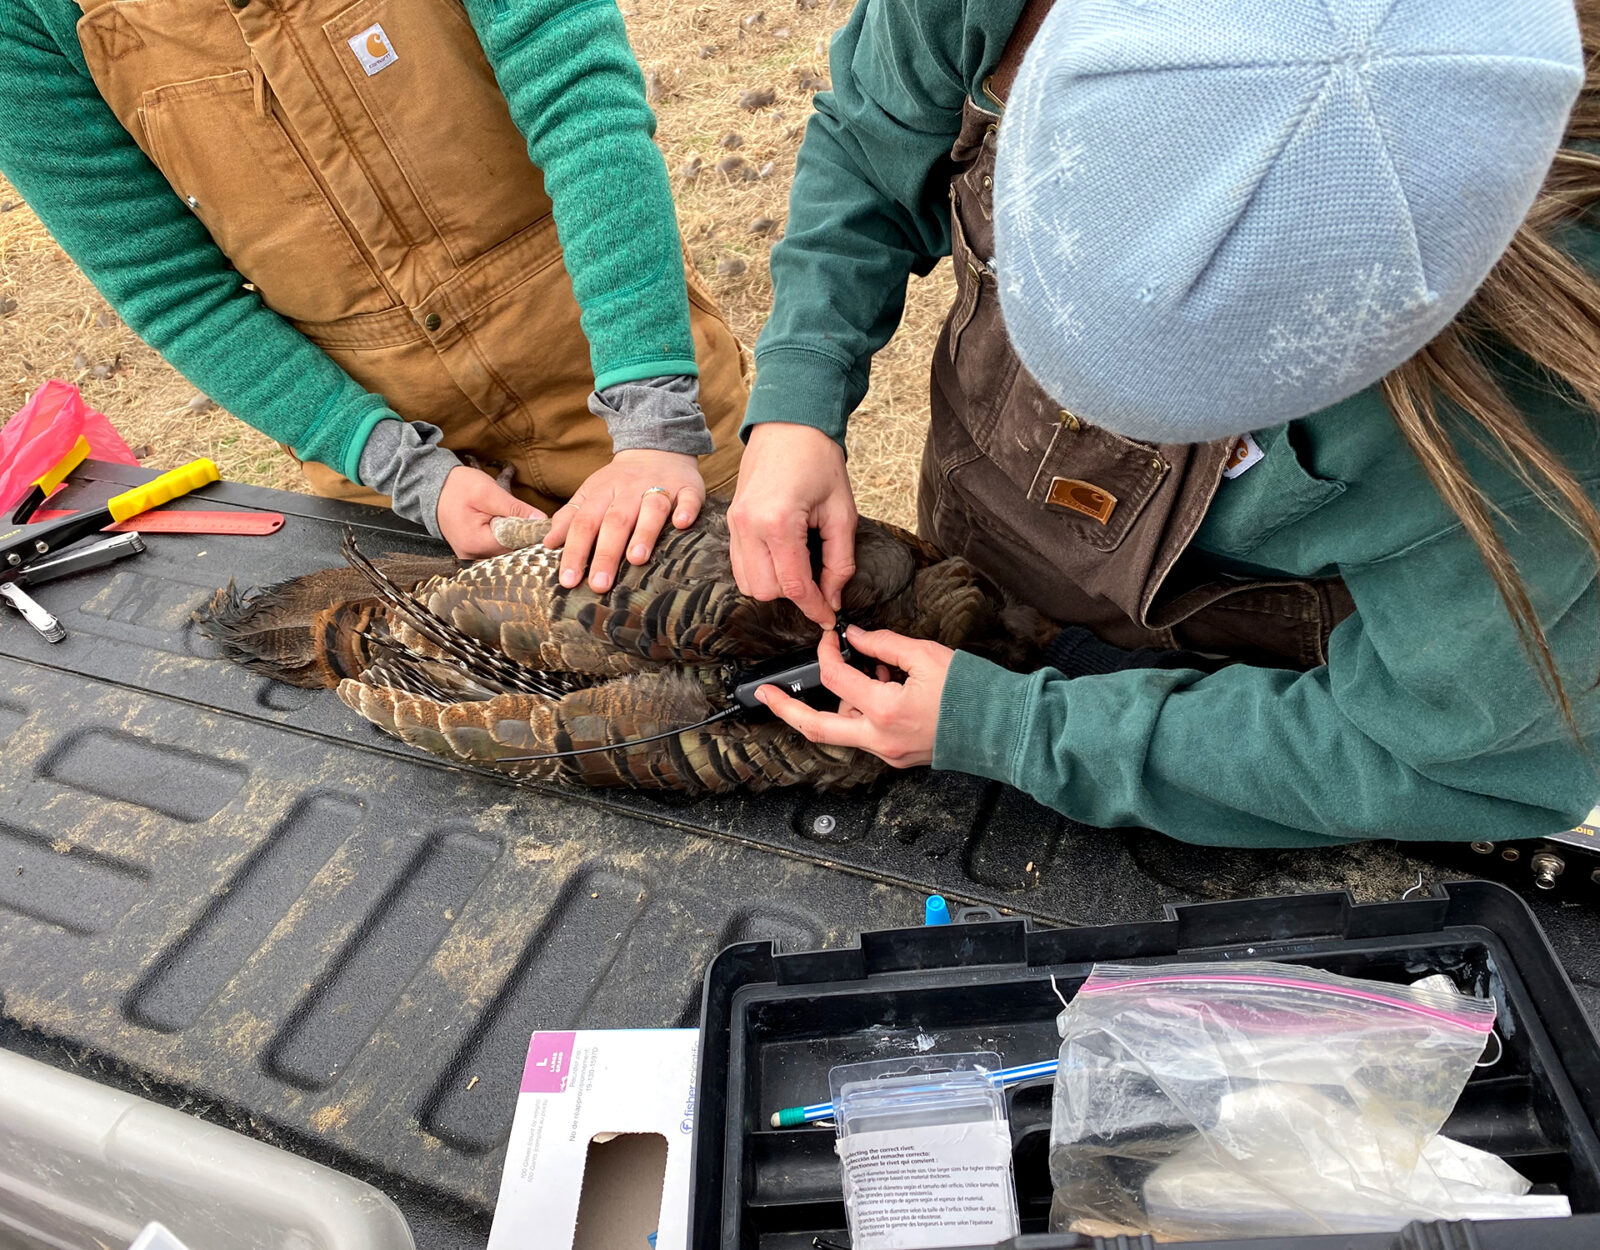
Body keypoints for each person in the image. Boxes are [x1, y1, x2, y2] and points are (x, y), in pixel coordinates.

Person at [729, 0, 1600, 847]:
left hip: (1235, 718)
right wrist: (798, 404)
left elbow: (1454, 758)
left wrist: (1019, 730)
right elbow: (870, 140)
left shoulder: (1541, 409)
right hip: (980, 532)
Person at [0, 0, 745, 589]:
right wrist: (407, 472)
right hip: (379, 464)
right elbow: (174, 289)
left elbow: (583, 111)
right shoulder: (26, 18)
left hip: (621, 370)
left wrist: (652, 422)